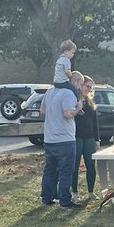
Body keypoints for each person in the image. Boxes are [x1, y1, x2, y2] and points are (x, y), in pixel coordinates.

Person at [39, 78, 80, 209]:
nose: (79, 87)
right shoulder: (68, 93)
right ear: (75, 82)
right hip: (65, 138)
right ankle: (64, 200)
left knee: (49, 170)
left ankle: (46, 197)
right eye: (80, 83)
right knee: (66, 171)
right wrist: (78, 109)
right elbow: (68, 113)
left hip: (49, 138)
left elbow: (43, 111)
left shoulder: (49, 92)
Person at [71, 73, 100, 200]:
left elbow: (95, 122)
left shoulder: (90, 103)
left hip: (89, 138)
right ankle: (74, 193)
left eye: (90, 88)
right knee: (74, 165)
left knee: (91, 165)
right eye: (87, 86)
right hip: (76, 137)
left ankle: (90, 192)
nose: (88, 89)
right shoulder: (74, 99)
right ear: (81, 85)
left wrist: (97, 139)